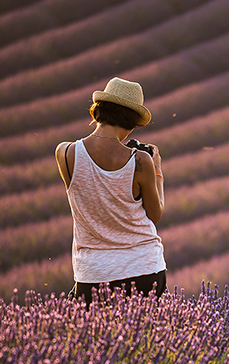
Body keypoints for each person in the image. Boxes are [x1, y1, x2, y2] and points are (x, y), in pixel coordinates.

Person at [55, 77, 167, 304]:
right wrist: (157, 171)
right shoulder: (140, 161)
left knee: (96, 338)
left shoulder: (65, 154)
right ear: (131, 121)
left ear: (98, 111)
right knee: (146, 337)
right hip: (144, 270)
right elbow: (154, 215)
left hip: (93, 274)